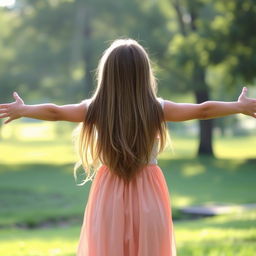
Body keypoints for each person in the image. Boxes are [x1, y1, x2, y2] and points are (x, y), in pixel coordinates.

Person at [0, 39, 255, 256]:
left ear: (106, 74)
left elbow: (55, 112)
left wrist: (24, 110)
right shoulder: (157, 108)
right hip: (149, 191)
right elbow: (203, 111)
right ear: (145, 73)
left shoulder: (95, 109)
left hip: (109, 191)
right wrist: (238, 106)